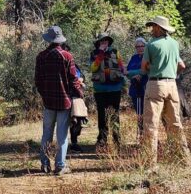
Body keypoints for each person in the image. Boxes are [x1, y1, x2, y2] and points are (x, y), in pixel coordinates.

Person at [140, 16, 190, 167]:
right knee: (175, 122)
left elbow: (144, 67)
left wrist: (155, 69)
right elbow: (182, 65)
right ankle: (183, 159)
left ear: (158, 28)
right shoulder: (174, 44)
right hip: (172, 85)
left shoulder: (151, 45)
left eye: (153, 27)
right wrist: (172, 73)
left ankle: (150, 163)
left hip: (156, 84)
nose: (151, 30)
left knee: (151, 124)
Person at [35, 25, 84, 175]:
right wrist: (79, 94)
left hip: (48, 101)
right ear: (60, 40)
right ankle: (60, 165)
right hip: (64, 101)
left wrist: (44, 94)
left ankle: (44, 164)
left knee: (46, 133)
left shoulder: (41, 56)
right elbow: (73, 79)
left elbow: (38, 80)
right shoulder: (67, 56)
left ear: (49, 40)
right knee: (62, 135)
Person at [88, 32, 126, 151]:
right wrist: (100, 54)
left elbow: (121, 67)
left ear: (109, 42)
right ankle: (102, 141)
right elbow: (93, 68)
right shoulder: (94, 53)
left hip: (115, 89)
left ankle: (117, 140)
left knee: (115, 115)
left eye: (106, 40)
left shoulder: (115, 52)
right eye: (102, 41)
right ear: (98, 43)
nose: (104, 42)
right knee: (102, 116)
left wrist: (124, 82)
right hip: (100, 90)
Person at [60, 43, 88, 148]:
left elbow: (82, 76)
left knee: (78, 120)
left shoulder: (74, 65)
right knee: (64, 122)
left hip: (76, 96)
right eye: (64, 50)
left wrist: (81, 80)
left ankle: (74, 142)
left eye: (68, 50)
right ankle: (63, 144)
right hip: (66, 95)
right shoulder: (59, 65)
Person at [126, 37, 148, 136]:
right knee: (139, 113)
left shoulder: (148, 57)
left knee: (147, 113)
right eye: (137, 46)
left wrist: (138, 73)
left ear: (145, 46)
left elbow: (147, 69)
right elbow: (126, 72)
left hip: (146, 88)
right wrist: (135, 74)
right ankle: (141, 134)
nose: (139, 48)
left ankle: (148, 134)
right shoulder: (134, 57)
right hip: (135, 89)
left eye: (142, 46)